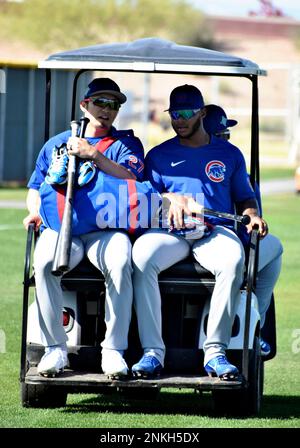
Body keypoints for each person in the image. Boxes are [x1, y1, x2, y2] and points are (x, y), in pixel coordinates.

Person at [131, 84, 269, 380]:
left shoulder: (229, 153)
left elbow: (245, 198)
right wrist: (167, 204)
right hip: (170, 232)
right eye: (174, 114)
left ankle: (216, 351)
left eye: (185, 113)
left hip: (215, 231)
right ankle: (153, 352)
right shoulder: (158, 155)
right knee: (141, 256)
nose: (178, 120)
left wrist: (253, 215)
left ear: (202, 114)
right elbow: (145, 200)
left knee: (233, 261)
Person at [23, 77, 145, 378]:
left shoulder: (125, 144)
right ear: (85, 104)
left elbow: (133, 179)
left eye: (114, 104)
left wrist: (94, 155)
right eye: (101, 102)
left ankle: (113, 350)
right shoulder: (56, 143)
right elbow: (37, 187)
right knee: (44, 262)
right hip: (63, 228)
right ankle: (55, 348)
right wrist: (35, 212)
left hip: (107, 229)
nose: (107, 110)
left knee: (119, 261)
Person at [203, 104, 283, 356]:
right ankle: (256, 317)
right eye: (222, 135)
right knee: (275, 248)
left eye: (227, 136)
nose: (226, 140)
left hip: (220, 242)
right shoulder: (237, 173)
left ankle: (254, 312)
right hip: (225, 245)